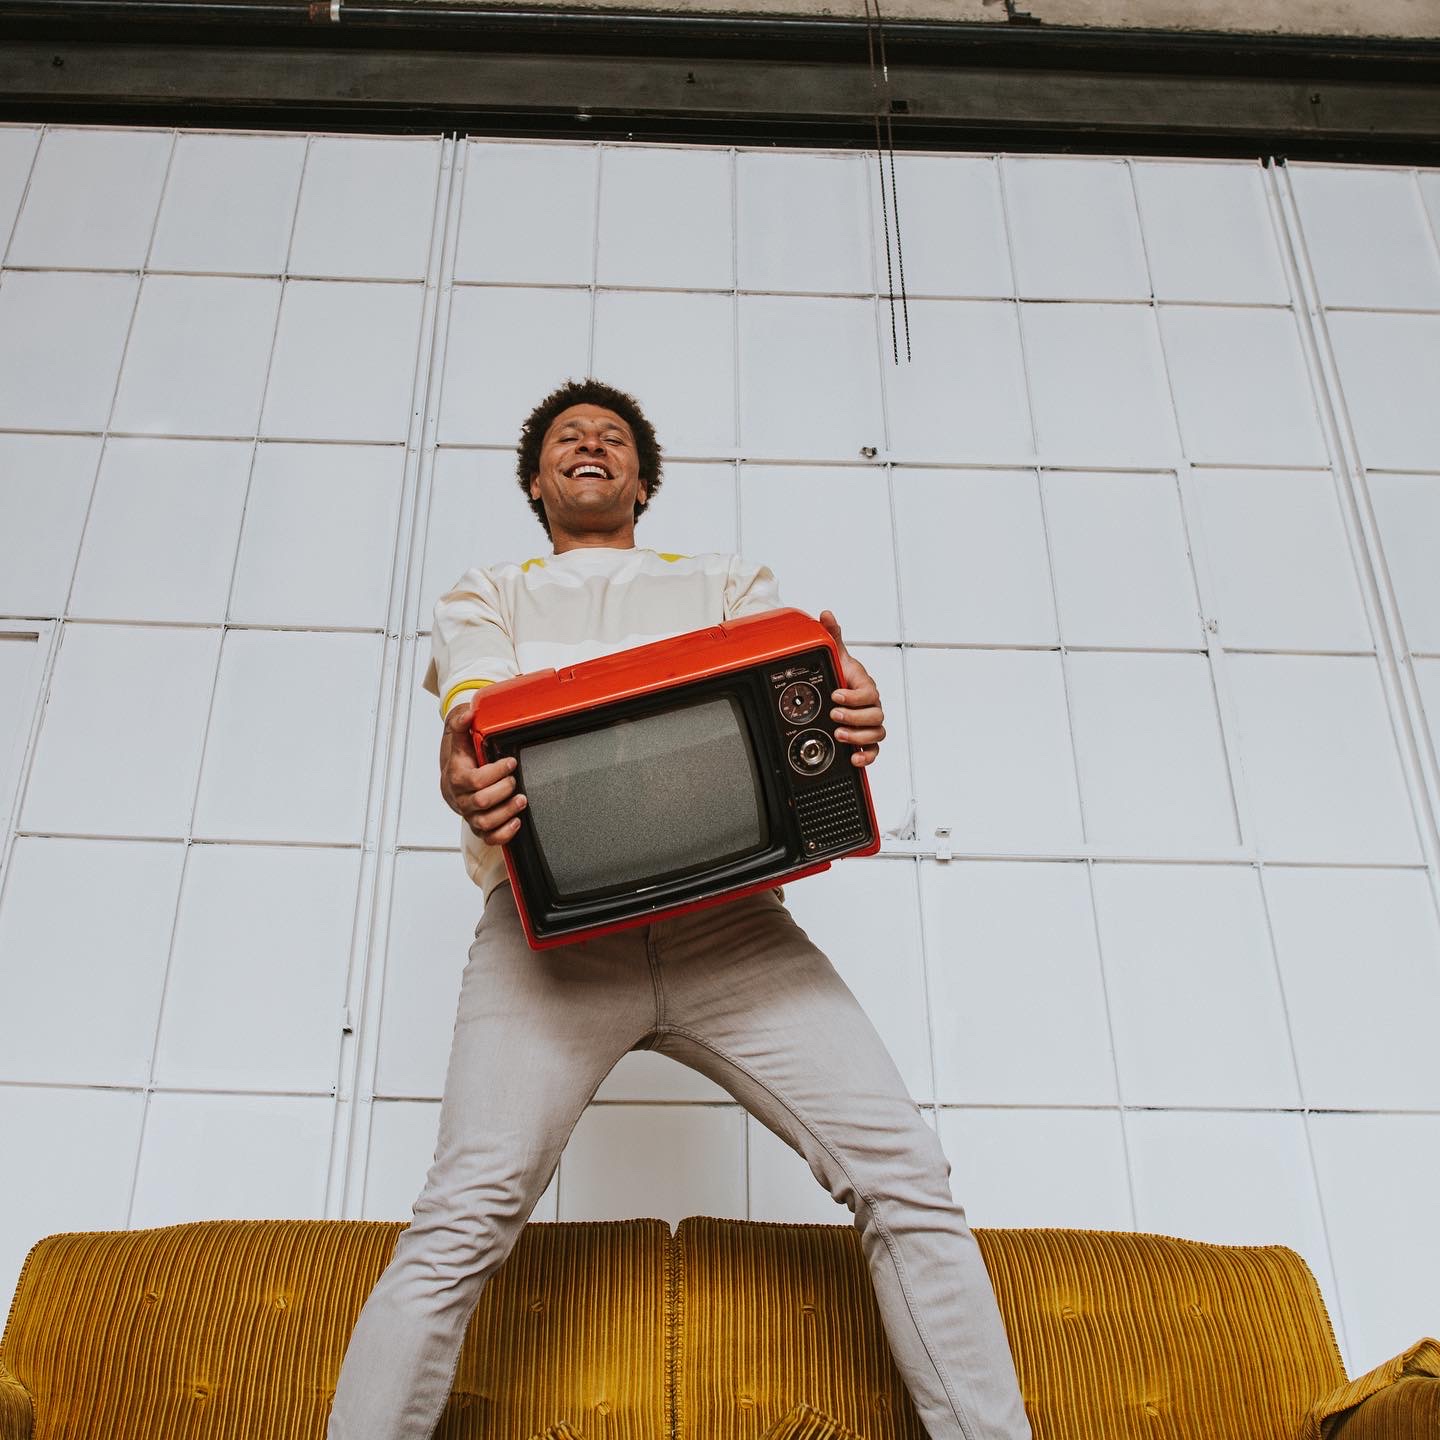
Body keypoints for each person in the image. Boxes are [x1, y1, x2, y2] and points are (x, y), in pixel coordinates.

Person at [326, 379, 1031, 1440]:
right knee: (461, 1218)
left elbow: (805, 685)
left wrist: (848, 699)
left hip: (734, 933)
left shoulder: (726, 581)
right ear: (536, 484)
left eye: (613, 437)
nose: (591, 445)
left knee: (908, 1179)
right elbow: (472, 723)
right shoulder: (485, 594)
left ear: (643, 483)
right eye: (568, 438)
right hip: (547, 947)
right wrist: (455, 768)